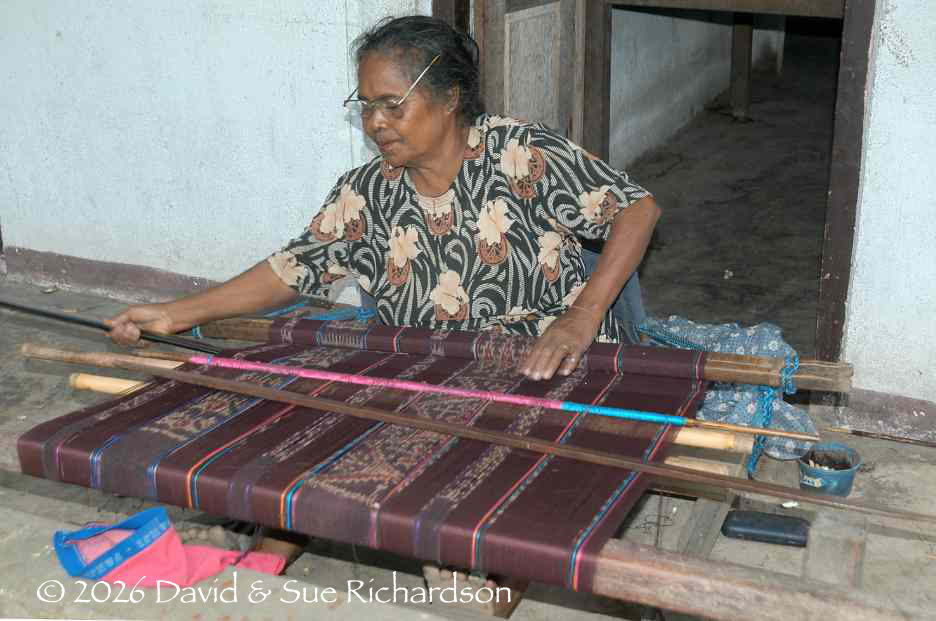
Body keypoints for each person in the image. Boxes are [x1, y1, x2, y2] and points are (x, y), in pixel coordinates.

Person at [108, 15, 660, 561]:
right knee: (306, 405)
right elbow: (292, 268)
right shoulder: (367, 192)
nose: (375, 123)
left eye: (392, 105)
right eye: (366, 106)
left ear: (449, 98)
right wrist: (176, 314)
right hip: (432, 371)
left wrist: (582, 317)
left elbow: (637, 209)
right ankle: (272, 547)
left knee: (486, 477)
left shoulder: (520, 155)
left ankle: (476, 564)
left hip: (539, 367)